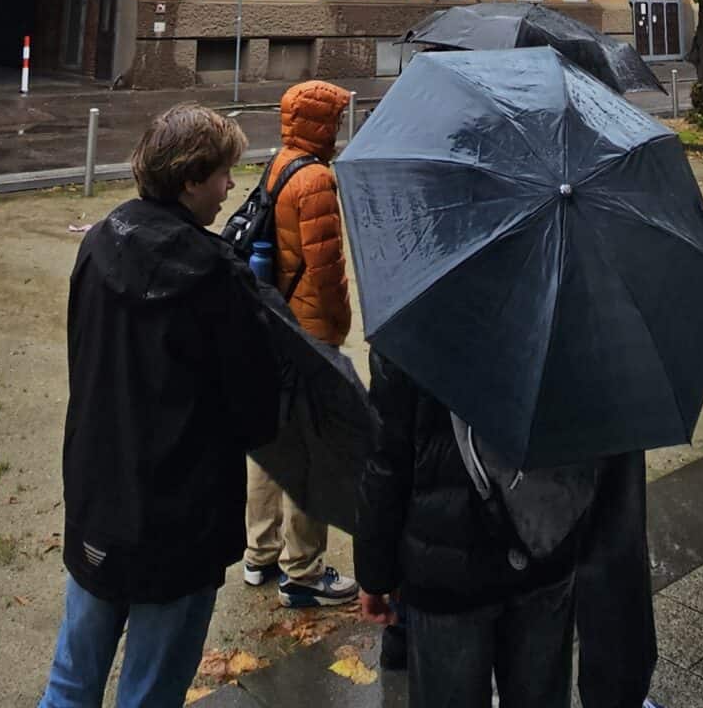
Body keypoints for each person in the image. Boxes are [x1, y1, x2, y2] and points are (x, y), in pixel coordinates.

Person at [37, 104, 280, 708]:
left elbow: (82, 354)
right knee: (150, 691)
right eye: (224, 173)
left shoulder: (100, 240)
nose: (231, 187)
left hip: (98, 497)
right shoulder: (216, 274)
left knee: (71, 681)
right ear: (192, 178)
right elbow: (255, 413)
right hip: (182, 521)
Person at [356, 350, 589, 707]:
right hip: (543, 546)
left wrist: (374, 575)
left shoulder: (415, 321)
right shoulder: (573, 312)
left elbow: (387, 462)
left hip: (446, 568)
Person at [238, 79, 362, 608]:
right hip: (309, 329)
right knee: (313, 449)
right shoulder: (315, 181)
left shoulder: (279, 162)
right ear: (322, 123)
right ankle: (303, 571)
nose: (339, 127)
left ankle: (258, 552)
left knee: (272, 439)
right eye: (335, 119)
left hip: (275, 320)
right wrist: (339, 325)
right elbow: (327, 267)